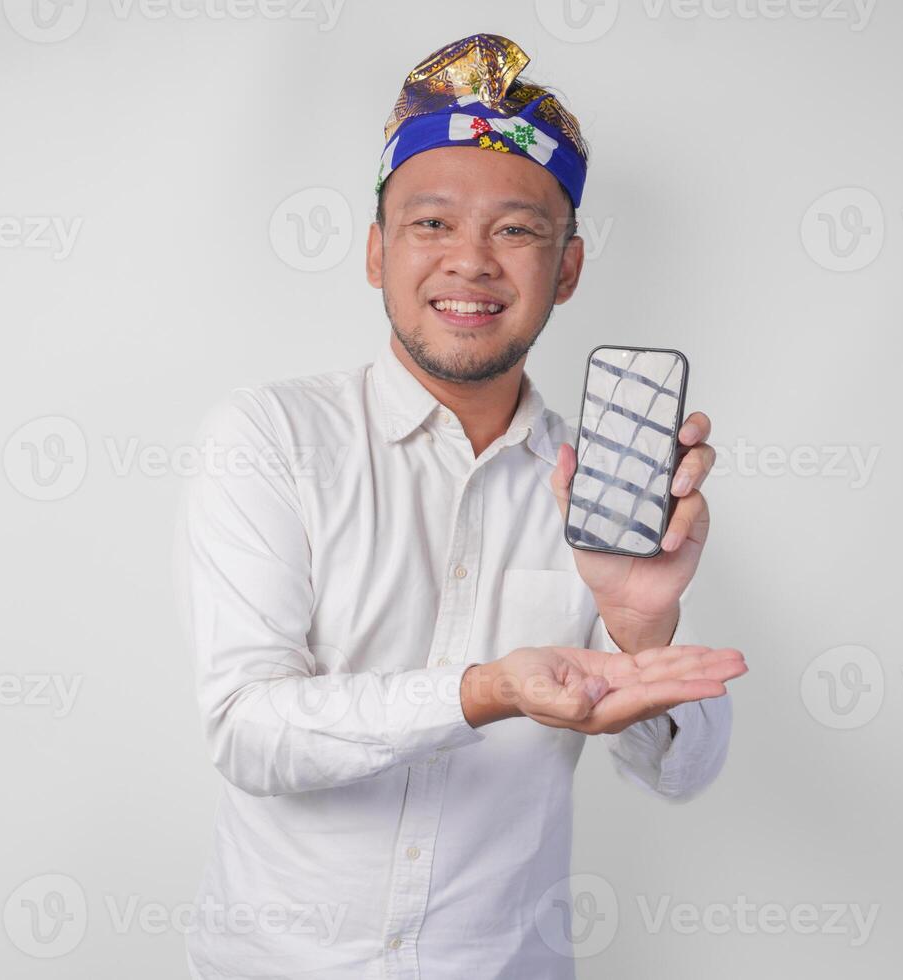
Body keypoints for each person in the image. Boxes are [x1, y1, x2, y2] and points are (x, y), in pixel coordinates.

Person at [173, 32, 748, 980]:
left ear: (565, 269)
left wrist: (642, 625)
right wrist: (484, 690)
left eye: (517, 230)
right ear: (376, 251)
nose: (471, 262)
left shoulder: (595, 480)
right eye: (431, 224)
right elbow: (248, 729)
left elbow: (681, 773)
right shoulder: (270, 438)